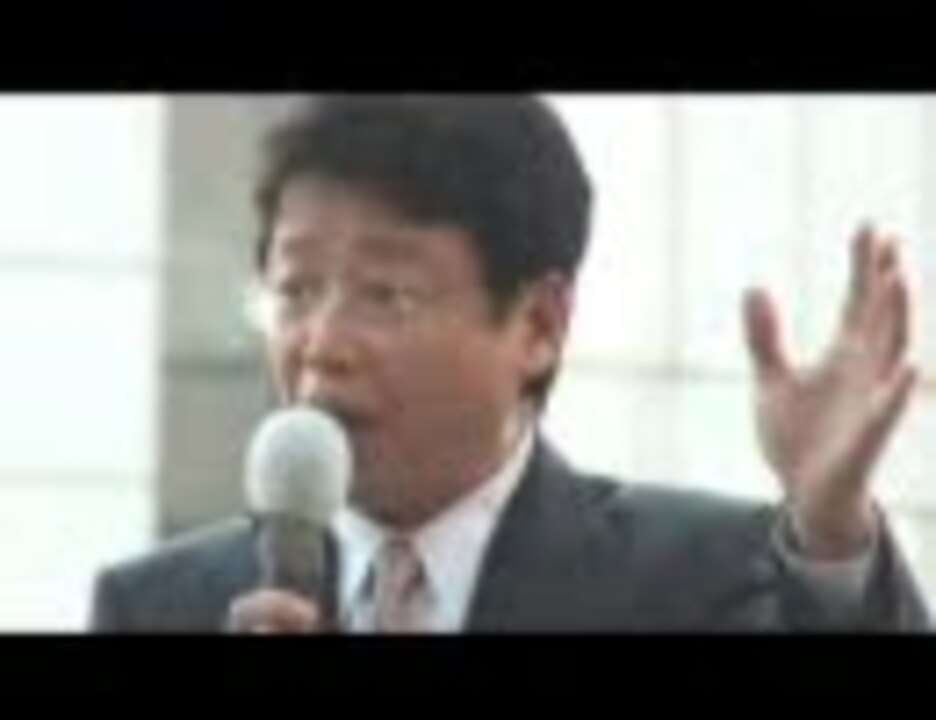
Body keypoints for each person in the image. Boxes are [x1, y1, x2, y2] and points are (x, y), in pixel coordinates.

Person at [91, 94, 929, 633]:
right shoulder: (161, 608)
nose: (322, 344)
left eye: (386, 295)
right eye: (296, 290)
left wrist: (832, 530)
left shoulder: (701, 580)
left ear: (538, 325)